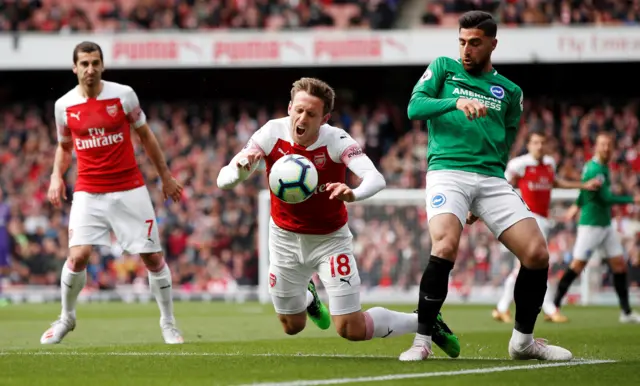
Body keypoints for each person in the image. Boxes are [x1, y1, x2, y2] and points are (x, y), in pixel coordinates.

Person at [217, 77, 460, 357]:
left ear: (324, 118)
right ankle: (309, 297)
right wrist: (241, 170)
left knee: (350, 329)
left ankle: (425, 321)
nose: (302, 118)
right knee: (291, 326)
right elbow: (224, 179)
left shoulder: (336, 140)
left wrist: (353, 193)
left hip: (329, 241)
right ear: (289, 108)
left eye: (311, 113)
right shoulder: (271, 133)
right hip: (283, 239)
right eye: (298, 110)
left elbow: (375, 178)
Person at [399, 11, 572, 361]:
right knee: (445, 245)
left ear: (493, 44)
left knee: (537, 254)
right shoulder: (444, 67)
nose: (466, 49)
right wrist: (456, 101)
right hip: (448, 171)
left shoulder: (510, 92)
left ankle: (523, 341)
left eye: (475, 43)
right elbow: (414, 107)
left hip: (492, 179)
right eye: (462, 41)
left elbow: (505, 144)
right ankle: (422, 341)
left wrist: (483, 197)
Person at [41, 41, 184, 345]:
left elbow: (145, 136)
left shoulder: (123, 95)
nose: (90, 69)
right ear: (75, 67)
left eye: (95, 63)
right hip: (88, 192)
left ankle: (168, 323)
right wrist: (56, 176)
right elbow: (64, 147)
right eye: (84, 64)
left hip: (129, 188)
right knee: (78, 256)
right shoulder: (63, 106)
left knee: (153, 258)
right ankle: (66, 317)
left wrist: (165, 176)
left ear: (102, 66)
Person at [492, 130, 601, 324]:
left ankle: (501, 308)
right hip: (527, 218)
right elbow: (502, 184)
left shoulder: (549, 163)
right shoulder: (519, 164)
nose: (539, 146)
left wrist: (582, 186)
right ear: (529, 144)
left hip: (543, 219)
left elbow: (556, 182)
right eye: (535, 142)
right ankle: (550, 309)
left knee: (523, 267)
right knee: (538, 264)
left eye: (542, 142)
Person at [554, 131, 640, 323]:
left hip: (605, 225)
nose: (606, 148)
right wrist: (632, 198)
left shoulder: (601, 167)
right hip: (591, 225)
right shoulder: (595, 170)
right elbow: (606, 198)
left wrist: (576, 204)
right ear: (596, 146)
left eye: (609, 144)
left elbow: (585, 190)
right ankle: (555, 304)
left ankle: (625, 313)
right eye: (602, 144)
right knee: (577, 266)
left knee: (619, 265)